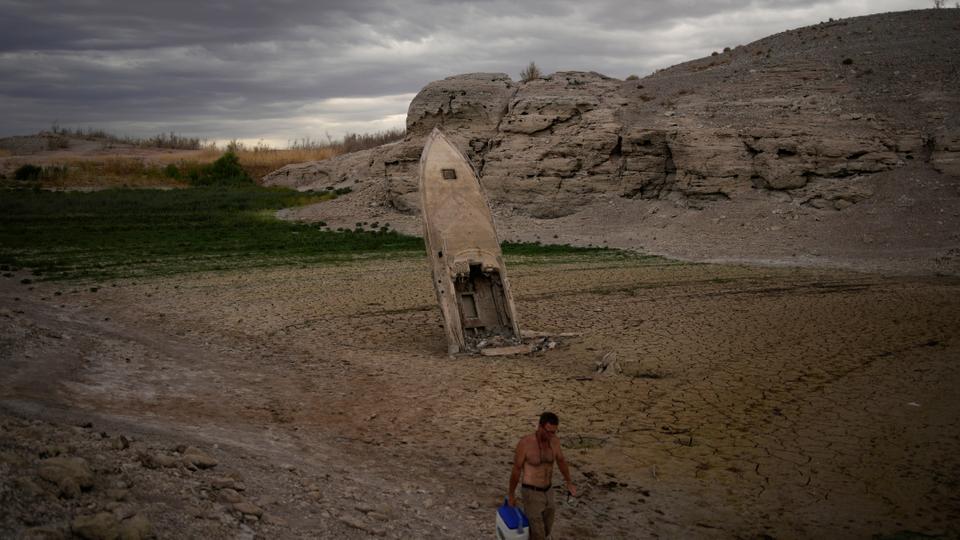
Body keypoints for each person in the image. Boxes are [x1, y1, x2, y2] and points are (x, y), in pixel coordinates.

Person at [507, 411, 577, 540]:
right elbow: (516, 470)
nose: (551, 435)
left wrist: (569, 482)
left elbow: (561, 461)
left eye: (554, 432)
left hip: (548, 491)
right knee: (538, 533)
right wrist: (511, 495)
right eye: (548, 431)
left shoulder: (554, 442)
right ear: (540, 426)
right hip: (531, 492)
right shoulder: (525, 443)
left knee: (546, 529)